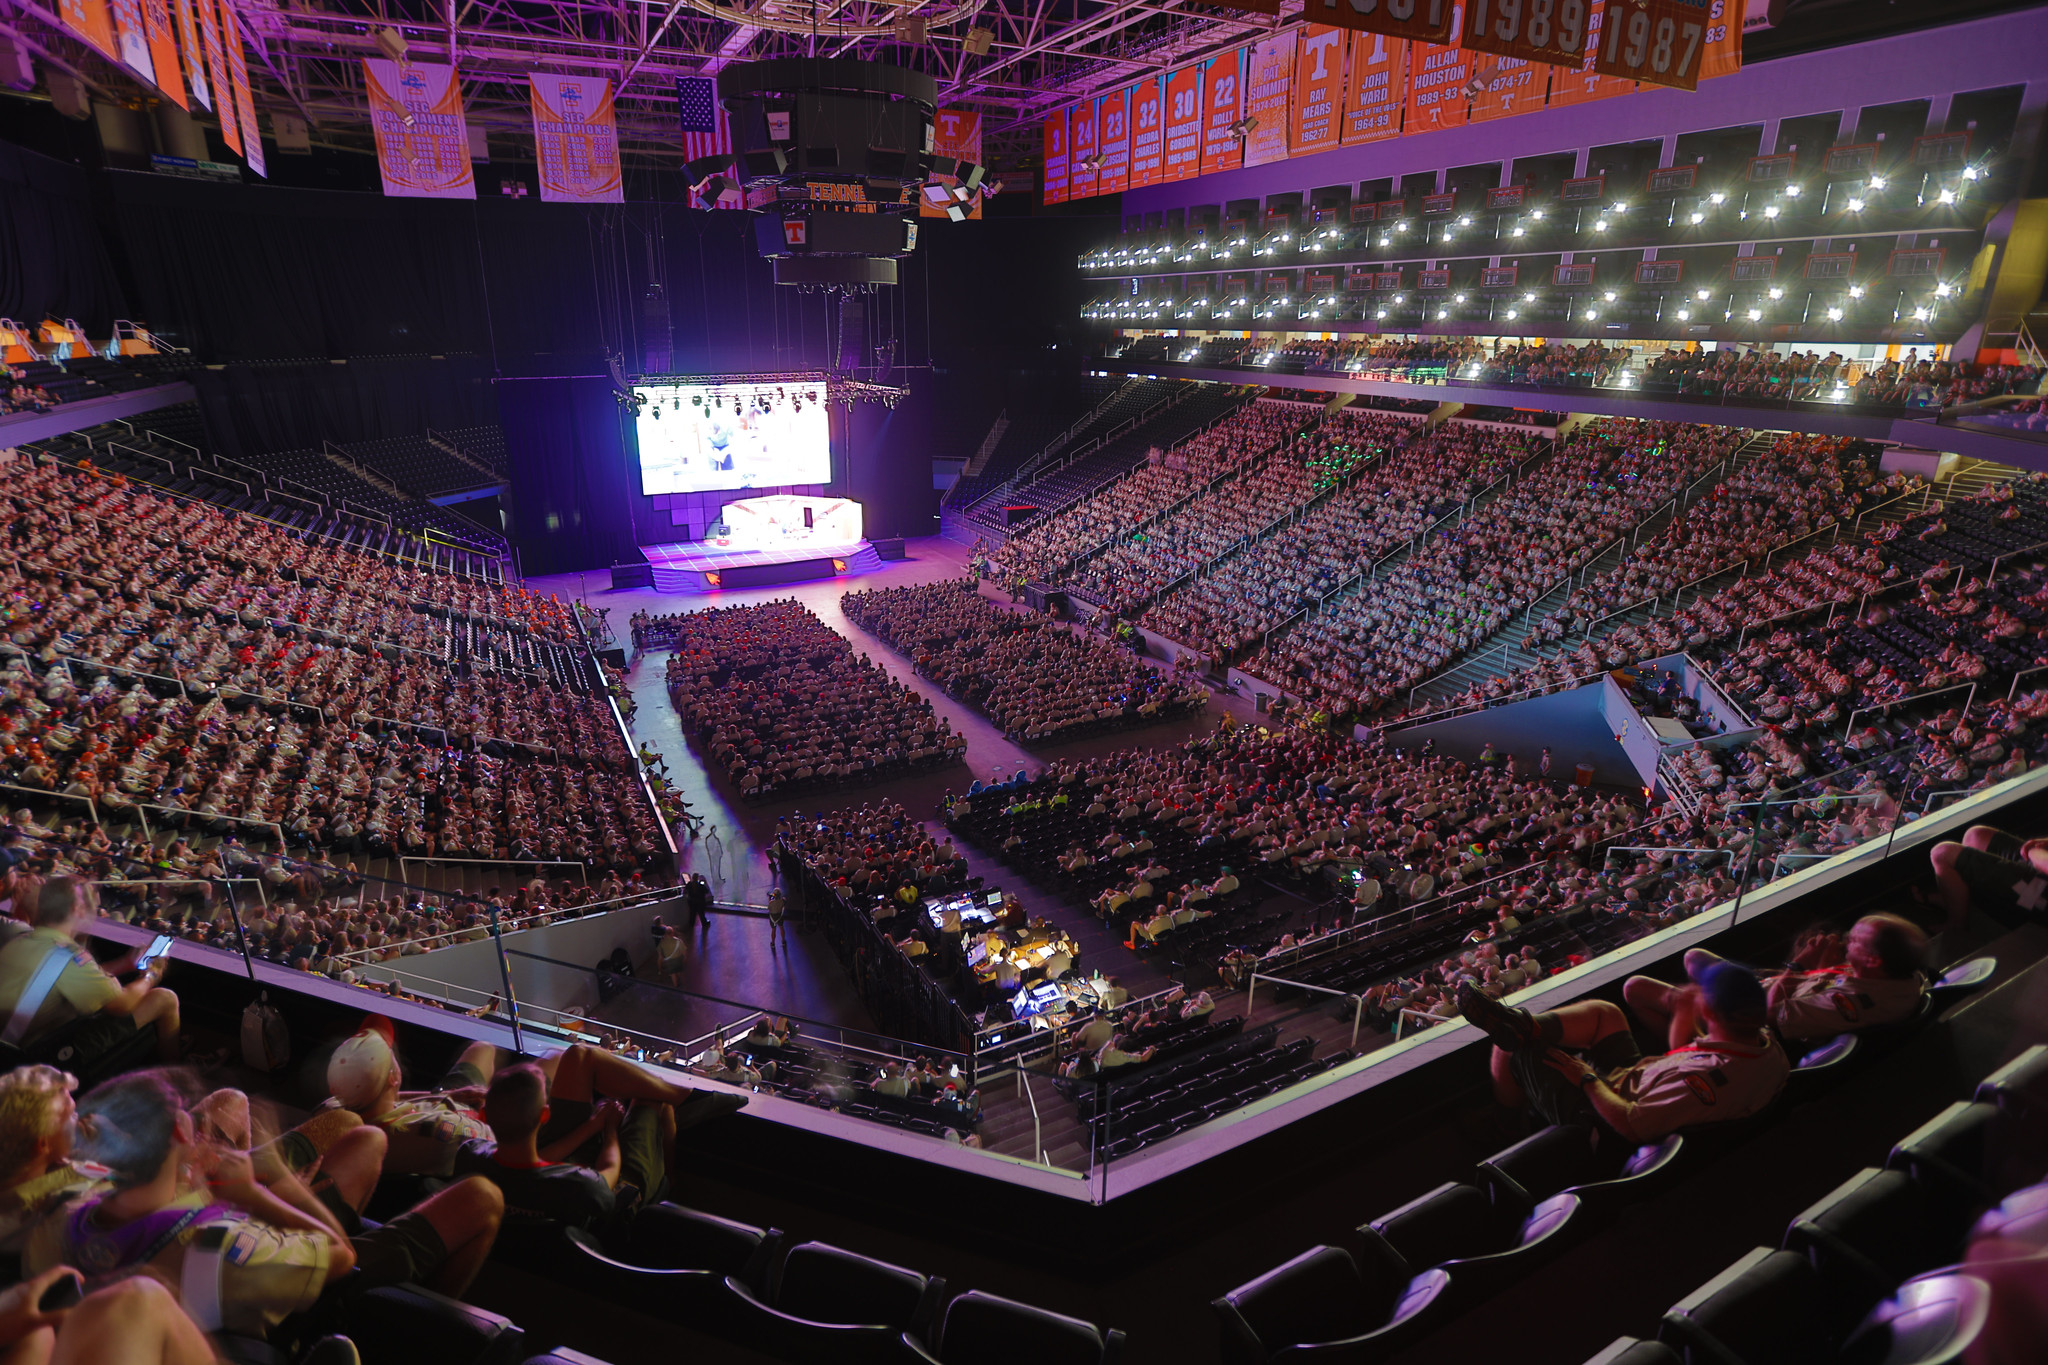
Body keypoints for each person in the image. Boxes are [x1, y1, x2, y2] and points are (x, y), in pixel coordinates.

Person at [28, 1069, 506, 1336]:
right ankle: (413, 1328)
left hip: (209, 1228)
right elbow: (342, 1256)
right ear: (179, 1135)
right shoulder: (228, 1246)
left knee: (361, 1138)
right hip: (312, 1289)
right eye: (191, 1120)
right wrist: (270, 1185)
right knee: (481, 1196)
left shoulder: (67, 1207)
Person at [325, 1019, 742, 1178]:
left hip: (460, 1109)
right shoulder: (438, 1136)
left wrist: (452, 1096)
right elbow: (513, 1161)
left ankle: (663, 1094)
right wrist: (595, 1126)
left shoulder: (342, 1110)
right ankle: (686, 1099)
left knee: (524, 1055)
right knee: (580, 1057)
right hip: (520, 1134)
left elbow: (387, 1110)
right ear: (392, 1075)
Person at [1457, 962, 1790, 1144]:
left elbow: (1632, 1126)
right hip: (1636, 1079)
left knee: (1510, 1052)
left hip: (1603, 1117)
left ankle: (1505, 1127)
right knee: (1606, 1013)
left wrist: (1586, 1079)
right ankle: (1523, 1024)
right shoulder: (1762, 1041)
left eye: (1702, 993)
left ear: (1714, 1014)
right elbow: (1690, 1059)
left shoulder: (1702, 1082)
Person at [1624, 914, 1929, 1045]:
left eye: (1857, 940)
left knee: (1635, 987)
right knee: (1695, 958)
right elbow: (1824, 980)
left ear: (1874, 959)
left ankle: (1691, 1043)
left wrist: (1796, 965)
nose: (1847, 938)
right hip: (1772, 987)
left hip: (1749, 1021)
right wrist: (1807, 967)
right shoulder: (1900, 973)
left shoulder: (1842, 1003)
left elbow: (1767, 1015)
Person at [452, 1063, 638, 1248]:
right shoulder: (582, 1185)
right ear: (545, 1115)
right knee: (645, 1104)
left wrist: (592, 1125)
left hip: (510, 1257)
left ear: (483, 1116)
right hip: (571, 1252)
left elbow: (521, 1171)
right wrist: (611, 1128)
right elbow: (610, 1170)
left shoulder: (469, 1155)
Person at [0, 878, 181, 1066]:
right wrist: (152, 975)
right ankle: (177, 1077)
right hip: (32, 1060)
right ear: (76, 909)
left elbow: (70, 977)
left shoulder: (21, 939)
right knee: (164, 999)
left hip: (8, 1049)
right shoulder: (70, 957)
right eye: (94, 904)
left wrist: (126, 963)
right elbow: (123, 1004)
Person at [1928, 826, 2048, 929]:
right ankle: (1956, 900)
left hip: (2043, 894)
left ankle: (1956, 926)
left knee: (1942, 853)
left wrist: (2034, 852)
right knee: (1976, 835)